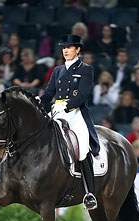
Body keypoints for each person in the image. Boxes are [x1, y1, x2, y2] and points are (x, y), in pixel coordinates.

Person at [40, 34, 100, 210]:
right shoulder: (58, 70)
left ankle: (90, 193)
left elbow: (83, 95)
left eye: (69, 47)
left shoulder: (85, 69)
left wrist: (66, 105)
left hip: (76, 113)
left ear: (77, 49)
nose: (65, 50)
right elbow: (49, 92)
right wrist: (38, 101)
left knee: (82, 146)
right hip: (57, 111)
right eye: (64, 47)